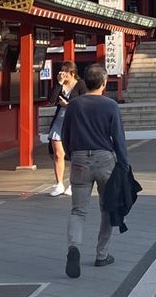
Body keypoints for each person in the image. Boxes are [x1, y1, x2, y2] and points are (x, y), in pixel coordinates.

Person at [59, 63, 129, 277]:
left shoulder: (74, 105)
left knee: (78, 210)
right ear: (104, 83)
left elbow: (65, 134)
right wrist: (123, 163)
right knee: (107, 208)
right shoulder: (110, 105)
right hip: (104, 158)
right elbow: (118, 138)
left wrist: (71, 155)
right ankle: (102, 254)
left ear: (85, 81)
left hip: (80, 159)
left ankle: (74, 247)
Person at [47, 61, 79, 196]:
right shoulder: (60, 85)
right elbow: (51, 99)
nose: (62, 74)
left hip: (74, 122)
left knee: (72, 155)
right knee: (58, 154)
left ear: (72, 73)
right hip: (59, 121)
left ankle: (72, 184)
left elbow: (83, 102)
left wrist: (68, 104)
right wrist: (59, 84)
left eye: (65, 72)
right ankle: (59, 184)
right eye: (61, 71)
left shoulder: (80, 85)